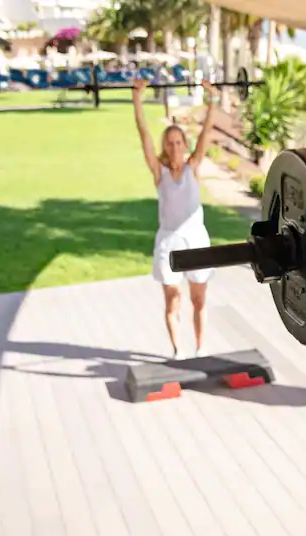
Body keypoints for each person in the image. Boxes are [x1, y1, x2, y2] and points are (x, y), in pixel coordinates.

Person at [131, 77, 219, 359]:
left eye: (178, 142)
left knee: (198, 299)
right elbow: (143, 134)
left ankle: (201, 349)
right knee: (172, 300)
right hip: (168, 241)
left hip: (196, 240)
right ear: (165, 146)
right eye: (169, 143)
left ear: (184, 144)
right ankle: (177, 350)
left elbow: (207, 131)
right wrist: (136, 99)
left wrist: (212, 99)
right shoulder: (160, 172)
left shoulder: (194, 166)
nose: (174, 147)